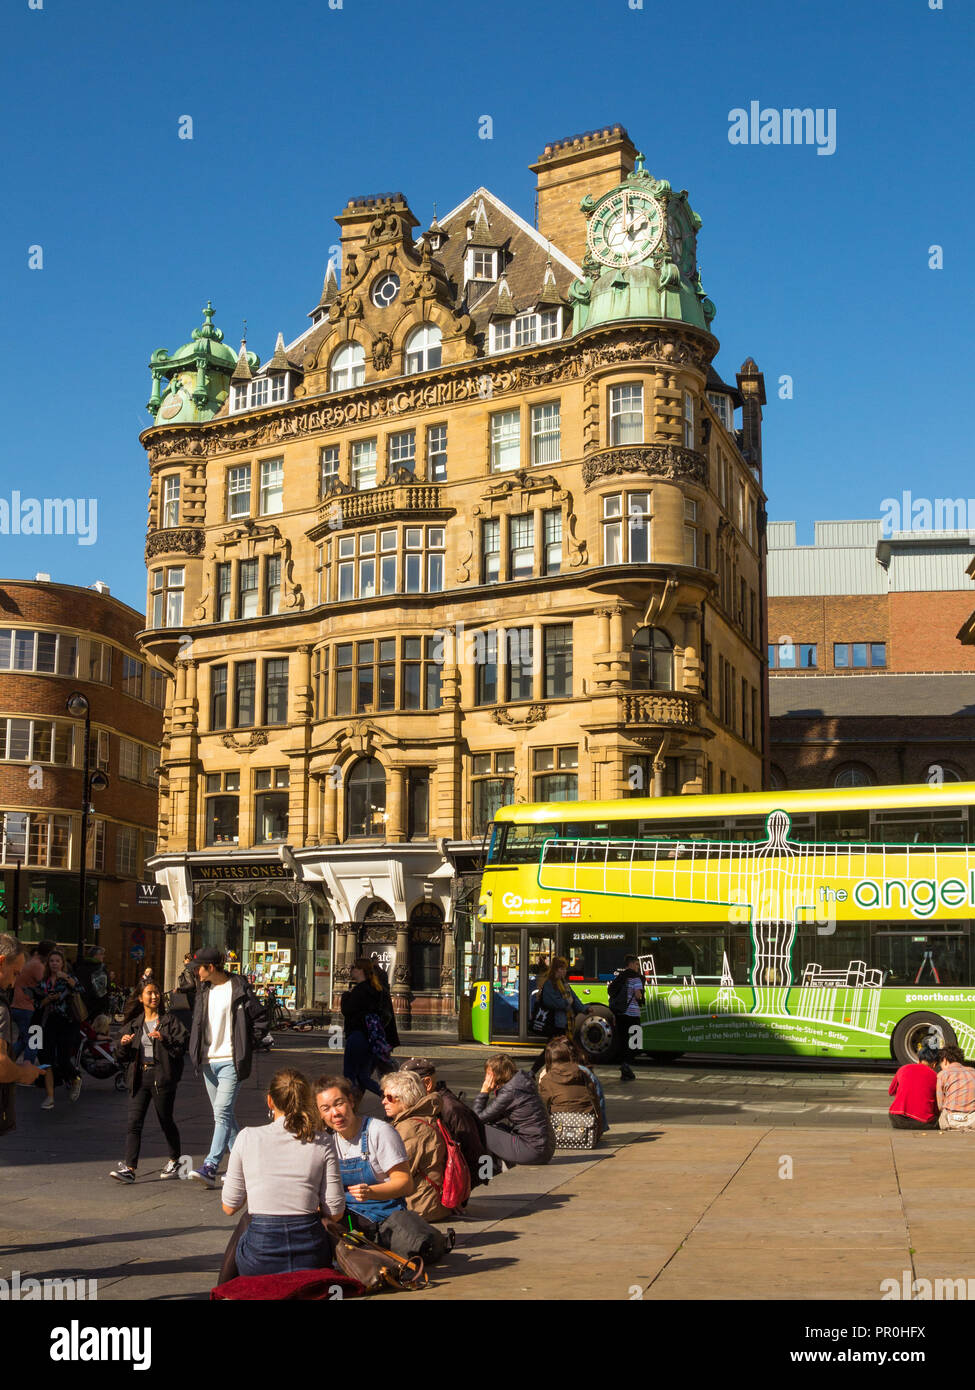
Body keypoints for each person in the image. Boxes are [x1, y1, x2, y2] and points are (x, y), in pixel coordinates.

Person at [221, 1068, 345, 1277]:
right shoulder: (323, 1141)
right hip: (311, 1254)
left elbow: (229, 1206)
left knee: (246, 1220)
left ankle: (223, 1287)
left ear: (270, 1101)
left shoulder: (247, 1137)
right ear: (308, 1100)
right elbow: (335, 1212)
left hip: (259, 1257)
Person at [188, 946, 268, 1187]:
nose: (195, 973)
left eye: (198, 968)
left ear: (210, 968)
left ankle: (211, 1165)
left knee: (222, 1113)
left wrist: (246, 1045)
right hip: (207, 1061)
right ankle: (243, 1167)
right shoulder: (203, 990)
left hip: (231, 1060)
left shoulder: (239, 989)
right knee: (224, 1115)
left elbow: (261, 1019)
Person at [110, 979, 189, 1183]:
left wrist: (165, 1039)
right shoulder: (135, 1023)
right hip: (139, 1077)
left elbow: (181, 1048)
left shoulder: (169, 1021)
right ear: (140, 998)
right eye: (149, 993)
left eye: (156, 993)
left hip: (162, 1077)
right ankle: (129, 1168)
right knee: (134, 1123)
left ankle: (176, 1160)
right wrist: (124, 1044)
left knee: (165, 1120)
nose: (154, 996)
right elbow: (118, 1054)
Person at [314, 1073, 414, 1234]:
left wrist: (371, 1192)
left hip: (382, 1218)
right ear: (320, 1114)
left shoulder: (380, 1132)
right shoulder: (328, 1141)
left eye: (339, 1104)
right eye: (326, 1109)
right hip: (347, 1216)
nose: (335, 1113)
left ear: (351, 1101)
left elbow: (405, 1183)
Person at [398, 1056, 489, 1189]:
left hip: (451, 1186)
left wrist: (460, 1191)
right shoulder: (425, 1105)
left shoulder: (450, 1109)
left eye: (405, 1086)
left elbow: (473, 1152)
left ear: (427, 1084)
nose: (399, 1092)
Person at [380, 1069, 455, 1221]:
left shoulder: (411, 1128)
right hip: (429, 1201)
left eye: (389, 1097)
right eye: (383, 1096)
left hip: (419, 1206)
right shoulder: (425, 1117)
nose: (383, 1101)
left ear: (405, 1098)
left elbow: (397, 1170)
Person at [471, 1053, 556, 1170]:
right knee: (494, 1126)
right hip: (544, 1149)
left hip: (532, 1150)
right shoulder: (520, 1084)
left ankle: (485, 1171)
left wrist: (484, 1092)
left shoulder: (510, 1092)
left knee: (479, 1129)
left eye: (488, 1074)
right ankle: (495, 1166)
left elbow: (476, 1119)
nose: (486, 1078)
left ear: (494, 1074)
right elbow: (491, 1117)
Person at [1, 933, 44, 1136]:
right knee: (31, 1038)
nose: (14, 981)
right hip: (27, 1011)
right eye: (15, 973)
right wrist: (23, 1073)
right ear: (1, 963)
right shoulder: (0, 1008)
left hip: (19, 1010)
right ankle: (28, 1057)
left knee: (22, 1040)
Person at [32, 948, 84, 1110]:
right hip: (50, 1021)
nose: (54, 963)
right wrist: (48, 999)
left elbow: (81, 990)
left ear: (63, 964)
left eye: (57, 961)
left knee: (63, 1058)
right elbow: (37, 1004)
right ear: (48, 964)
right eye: (52, 961)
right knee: (46, 1058)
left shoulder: (68, 979)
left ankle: (75, 1078)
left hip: (68, 1022)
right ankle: (50, 1097)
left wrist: (68, 979)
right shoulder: (44, 981)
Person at [341, 957, 398, 1098]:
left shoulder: (359, 990)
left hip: (356, 1036)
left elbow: (347, 1010)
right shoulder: (377, 989)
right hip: (371, 1037)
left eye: (354, 968)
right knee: (363, 1077)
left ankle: (347, 1104)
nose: (352, 971)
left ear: (360, 971)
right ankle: (389, 1097)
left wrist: (345, 996)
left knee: (349, 1075)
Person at [537, 1036, 604, 1141]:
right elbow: (596, 1103)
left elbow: (541, 1109)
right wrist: (599, 1131)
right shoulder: (584, 1074)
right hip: (587, 1133)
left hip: (558, 1132)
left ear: (549, 1058)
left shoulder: (547, 1078)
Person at [531, 957, 589, 1074]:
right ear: (556, 970)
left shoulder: (564, 983)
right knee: (556, 1050)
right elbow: (553, 1002)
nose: (564, 971)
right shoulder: (549, 984)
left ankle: (540, 1072)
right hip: (555, 1023)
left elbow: (574, 998)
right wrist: (567, 1003)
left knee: (554, 1050)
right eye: (562, 969)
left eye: (565, 969)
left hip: (564, 1023)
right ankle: (538, 1072)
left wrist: (585, 1009)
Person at [10, 939, 55, 1061]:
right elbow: (46, 985)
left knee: (23, 1040)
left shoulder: (32, 962)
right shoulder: (37, 966)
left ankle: (9, 1066)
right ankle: (27, 1070)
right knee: (34, 1042)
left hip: (19, 1006)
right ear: (49, 953)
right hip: (27, 1007)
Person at [607, 954, 645, 1082]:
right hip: (632, 1015)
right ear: (631, 964)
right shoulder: (636, 978)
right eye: (636, 964)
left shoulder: (620, 977)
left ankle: (624, 1068)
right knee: (636, 1042)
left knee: (623, 1040)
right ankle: (626, 1065)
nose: (637, 967)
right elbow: (638, 995)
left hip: (620, 1013)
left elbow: (611, 991)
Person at [888, 1043, 940, 1129]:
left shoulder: (903, 1068)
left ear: (918, 1059)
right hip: (921, 1121)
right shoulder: (935, 1076)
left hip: (896, 1118)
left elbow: (891, 1091)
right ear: (934, 1064)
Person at [936, 1045, 975, 1130]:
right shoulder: (973, 1072)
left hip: (950, 1121)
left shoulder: (943, 1074)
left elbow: (940, 1105)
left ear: (945, 1060)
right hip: (973, 1120)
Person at [74, 945, 110, 1021]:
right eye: (102, 954)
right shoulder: (100, 968)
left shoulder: (81, 967)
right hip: (98, 1004)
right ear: (96, 955)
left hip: (83, 1003)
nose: (103, 956)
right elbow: (103, 988)